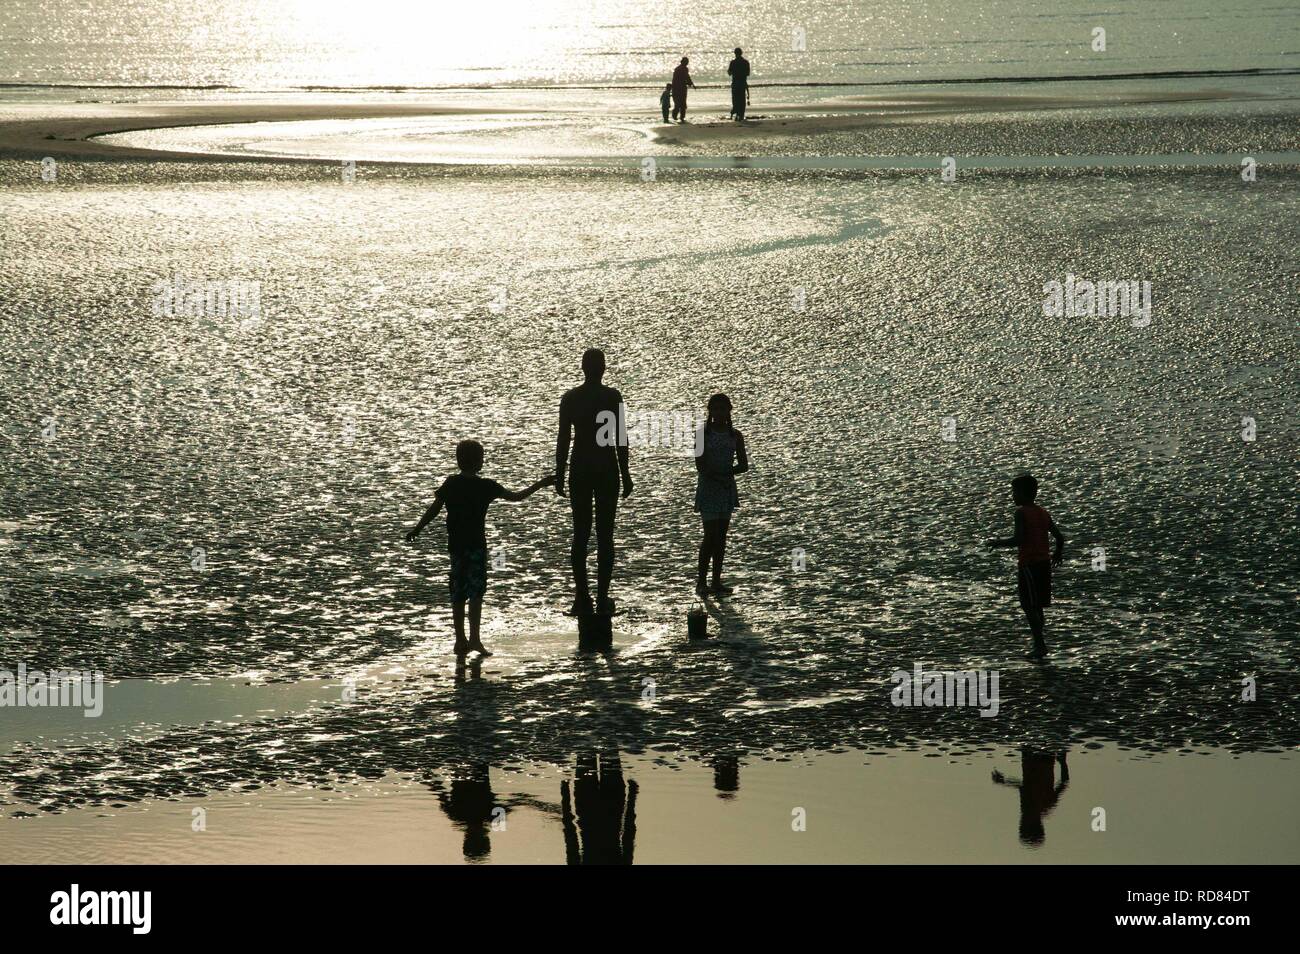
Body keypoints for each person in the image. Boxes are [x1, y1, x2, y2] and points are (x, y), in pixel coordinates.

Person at [406, 439, 554, 656]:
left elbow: (434, 509)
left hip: (456, 547)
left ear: (459, 460)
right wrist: (540, 484)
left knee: (457, 592)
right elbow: (516, 497)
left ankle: (460, 640)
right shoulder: (486, 486)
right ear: (478, 461)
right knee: (476, 592)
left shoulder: (451, 483)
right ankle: (474, 639)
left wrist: (418, 528)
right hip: (476, 547)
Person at [556, 349, 633, 616]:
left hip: (579, 466)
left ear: (582, 367)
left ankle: (582, 596)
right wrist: (626, 473)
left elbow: (564, 438)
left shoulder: (570, 398)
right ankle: (601, 597)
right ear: (603, 368)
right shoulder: (611, 396)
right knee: (605, 535)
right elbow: (620, 438)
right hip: (605, 466)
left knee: (580, 534)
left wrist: (559, 471)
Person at [986, 473, 1065, 659]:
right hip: (1044, 563)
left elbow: (1019, 539)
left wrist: (998, 543)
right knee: (1038, 606)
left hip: (1028, 564)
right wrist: (1057, 553)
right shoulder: (1043, 512)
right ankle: (1038, 643)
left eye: (1014, 492)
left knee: (1028, 605)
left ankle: (1040, 644)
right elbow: (1059, 537)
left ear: (1022, 493)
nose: (1012, 496)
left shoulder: (1021, 513)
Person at [694, 393, 748, 596]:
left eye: (722, 409)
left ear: (729, 411)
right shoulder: (702, 434)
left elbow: (744, 465)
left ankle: (716, 580)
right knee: (709, 536)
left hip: (726, 488)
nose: (719, 413)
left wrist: (728, 472)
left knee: (722, 536)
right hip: (709, 488)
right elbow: (700, 465)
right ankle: (701, 581)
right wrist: (716, 475)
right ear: (710, 411)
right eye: (715, 409)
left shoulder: (735, 435)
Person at [727, 47, 751, 121]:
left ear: (735, 53)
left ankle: (736, 113)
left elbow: (729, 73)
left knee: (735, 99)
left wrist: (734, 72)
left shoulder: (733, 62)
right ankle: (741, 114)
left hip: (735, 83)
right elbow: (748, 73)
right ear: (741, 53)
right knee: (742, 99)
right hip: (743, 82)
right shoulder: (746, 62)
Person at [671, 56, 695, 122]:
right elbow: (687, 77)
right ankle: (681, 117)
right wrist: (690, 83)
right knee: (682, 103)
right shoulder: (684, 69)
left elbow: (686, 77)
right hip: (681, 88)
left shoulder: (677, 68)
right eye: (687, 62)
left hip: (677, 88)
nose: (687, 63)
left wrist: (690, 83)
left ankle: (676, 116)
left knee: (678, 103)